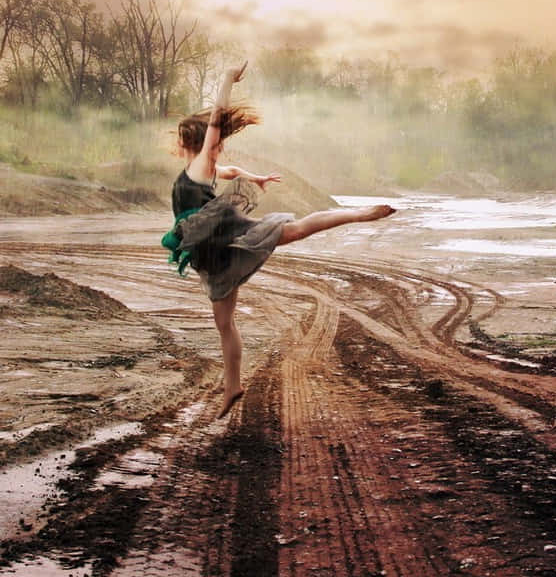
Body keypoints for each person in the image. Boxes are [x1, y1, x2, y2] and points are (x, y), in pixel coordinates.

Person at [165, 60, 395, 418]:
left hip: (223, 236)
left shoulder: (198, 167)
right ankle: (232, 386)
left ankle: (359, 214)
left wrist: (226, 80)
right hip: (217, 250)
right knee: (227, 322)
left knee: (292, 234)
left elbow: (215, 124)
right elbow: (232, 170)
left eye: (181, 139)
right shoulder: (205, 169)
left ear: (189, 142)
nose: (178, 143)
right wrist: (254, 177)